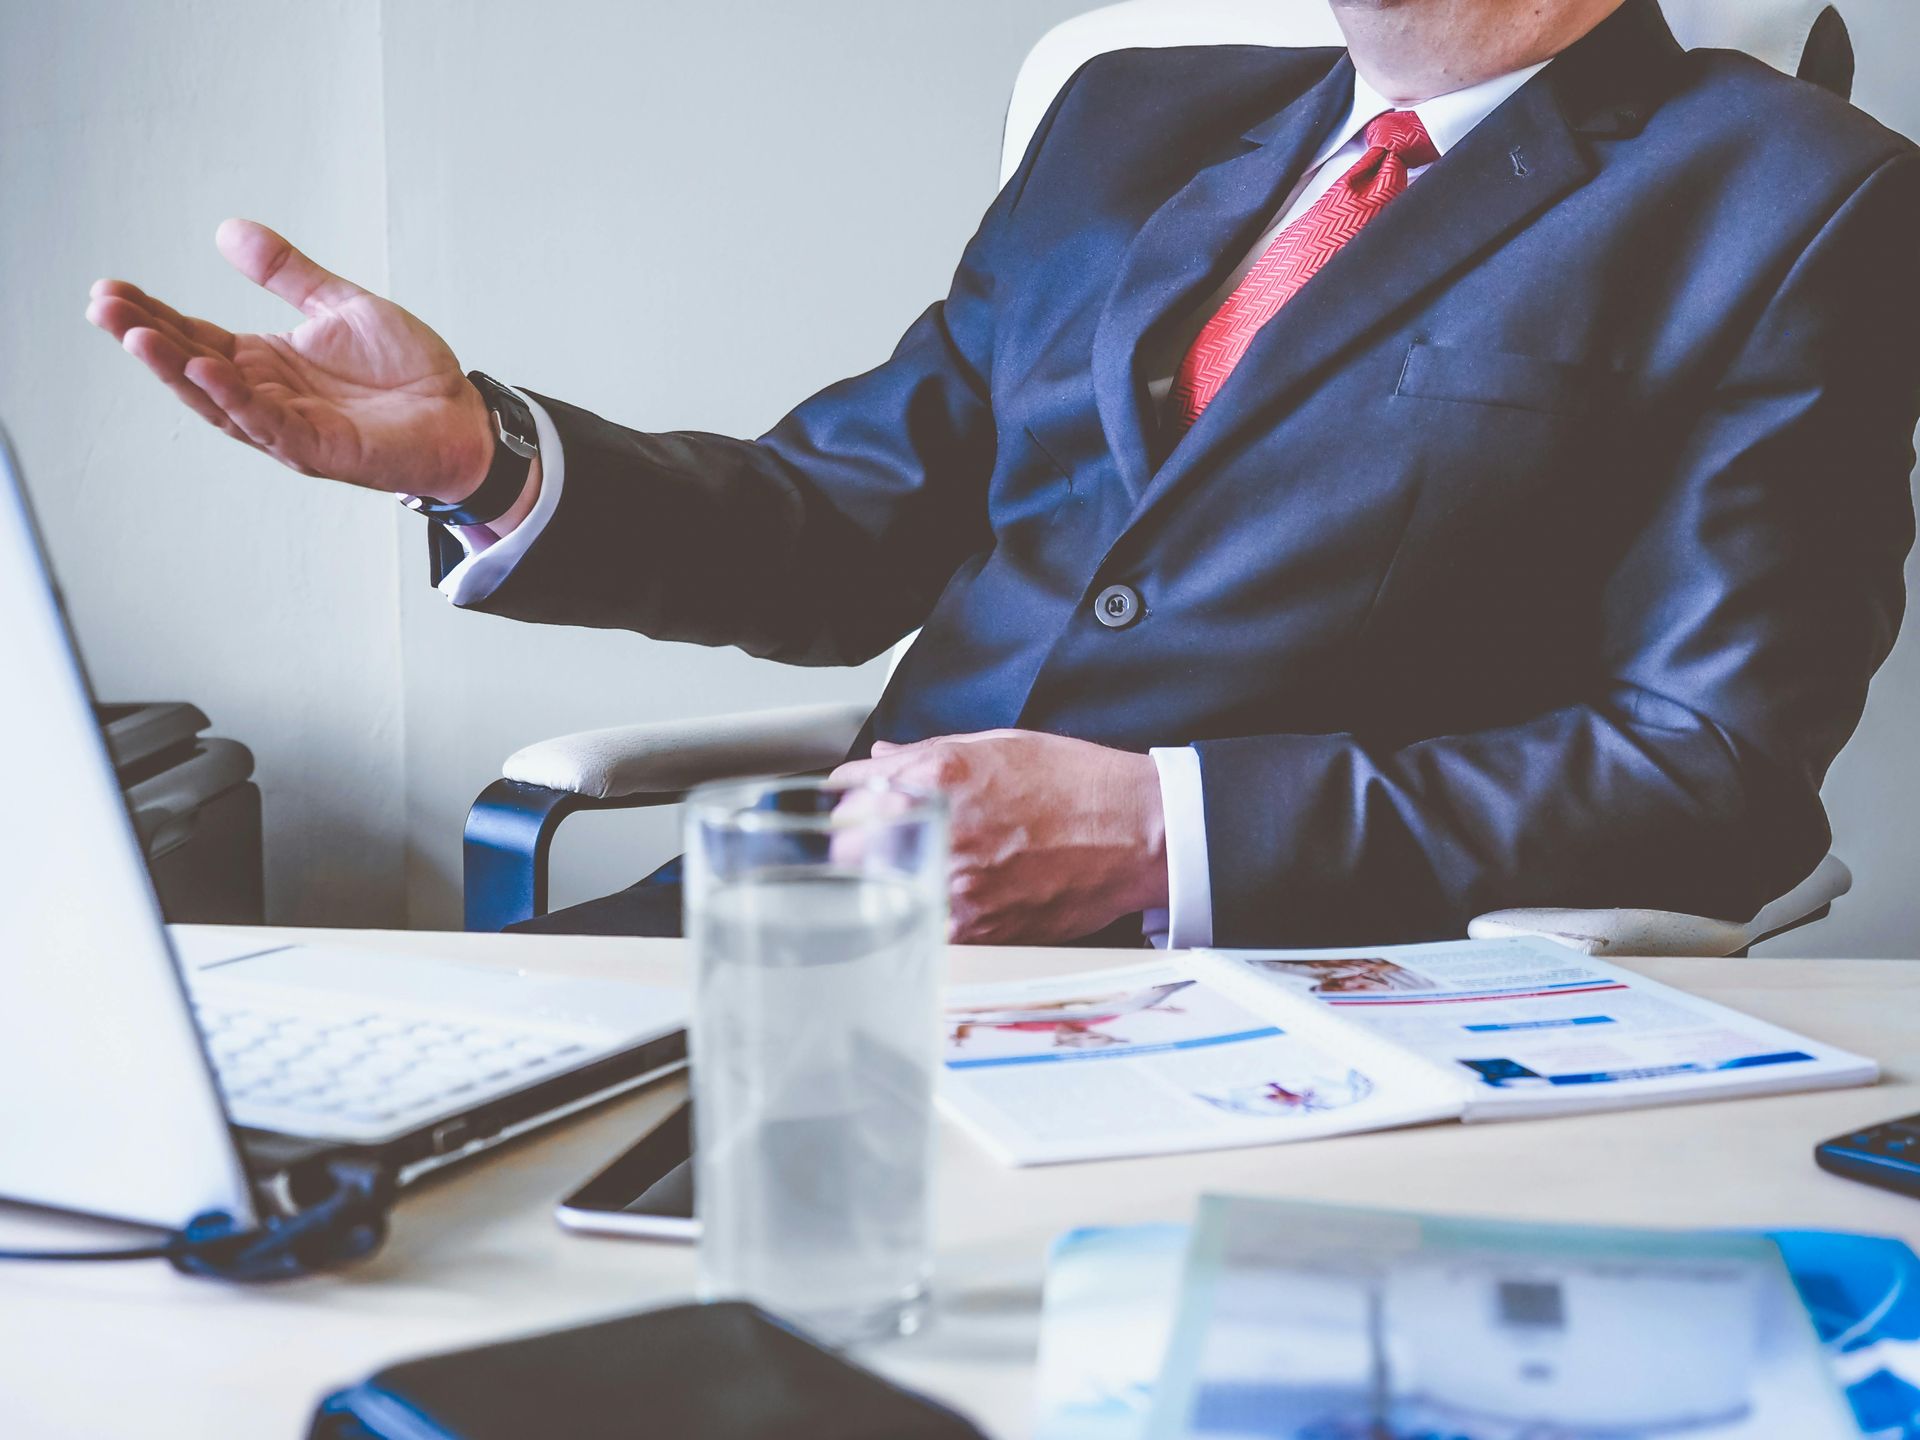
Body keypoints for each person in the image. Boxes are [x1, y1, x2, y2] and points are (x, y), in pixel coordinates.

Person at [87, 0, 1920, 949]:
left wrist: (1157, 836)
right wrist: (489, 455)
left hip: (1282, 994)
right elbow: (843, 529)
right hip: (823, 926)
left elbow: (1716, 771)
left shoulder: (1797, 195)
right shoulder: (1139, 115)